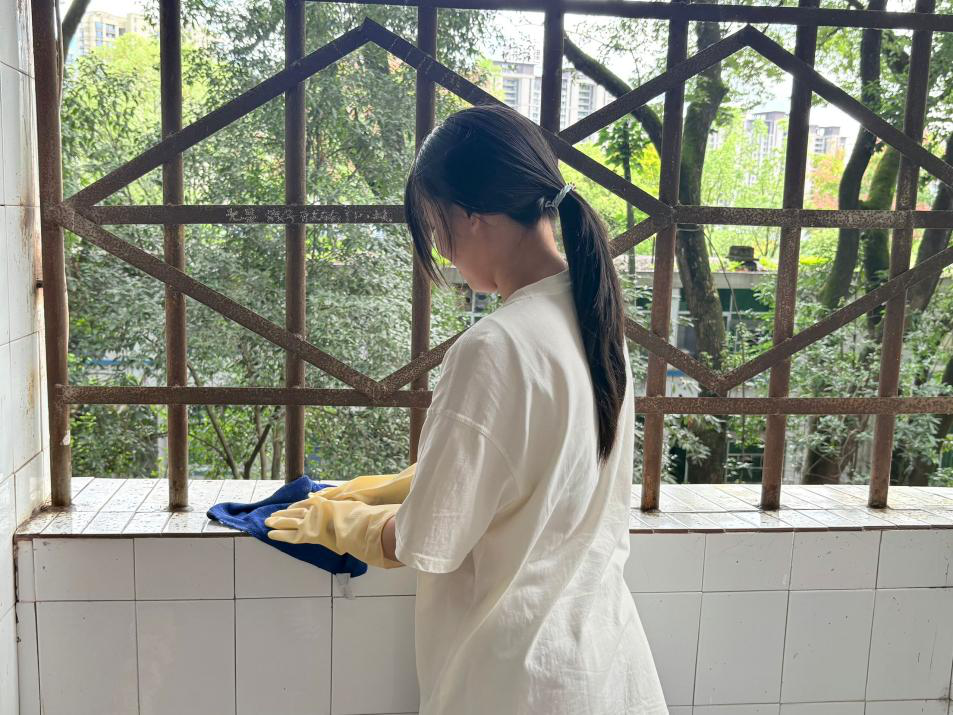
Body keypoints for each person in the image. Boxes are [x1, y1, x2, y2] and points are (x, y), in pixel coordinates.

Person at [266, 102, 669, 714]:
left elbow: (427, 539)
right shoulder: (595, 320)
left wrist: (338, 521)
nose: (439, 247)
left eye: (435, 224)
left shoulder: (495, 347)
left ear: (471, 217)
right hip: (604, 669)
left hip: (515, 685)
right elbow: (538, 476)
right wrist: (408, 483)